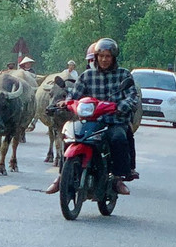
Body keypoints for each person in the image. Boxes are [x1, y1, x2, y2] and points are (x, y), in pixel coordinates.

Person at [43, 38, 139, 195]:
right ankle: (62, 176)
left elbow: (132, 96)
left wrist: (123, 106)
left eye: (108, 56)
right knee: (69, 136)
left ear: (113, 57)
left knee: (118, 138)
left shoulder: (124, 75)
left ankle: (117, 178)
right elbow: (75, 94)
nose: (104, 59)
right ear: (95, 57)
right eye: (101, 56)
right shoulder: (87, 76)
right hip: (89, 121)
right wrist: (65, 102)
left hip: (113, 121)